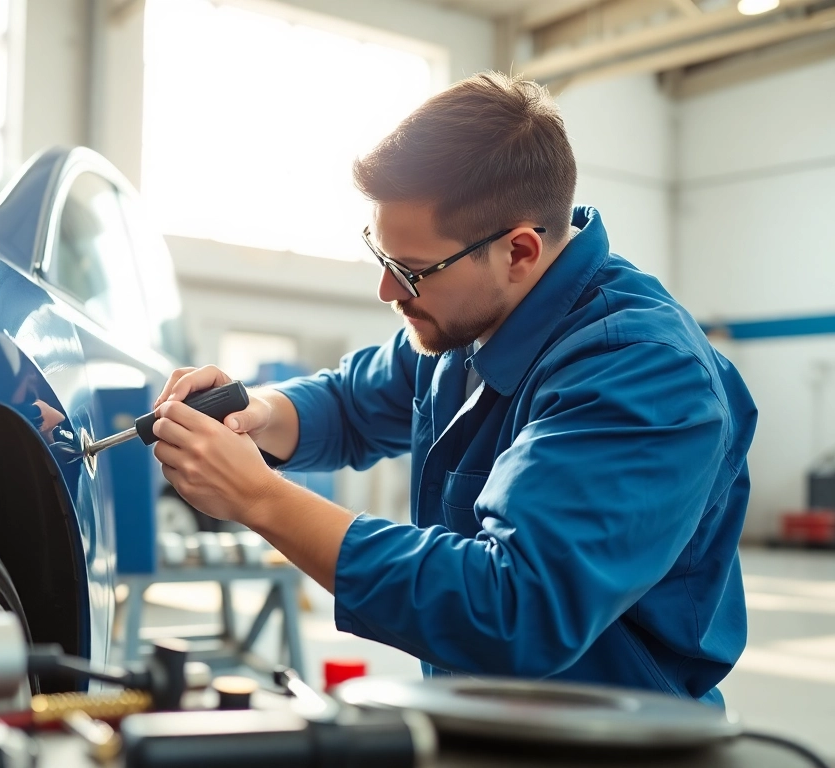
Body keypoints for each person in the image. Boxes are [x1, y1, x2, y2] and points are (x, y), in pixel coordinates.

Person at [149, 72, 756, 705]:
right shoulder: (471, 320)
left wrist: (260, 498)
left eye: (411, 271)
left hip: (614, 736)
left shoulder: (643, 372)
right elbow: (352, 403)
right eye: (382, 258)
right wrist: (254, 410)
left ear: (519, 251)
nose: (388, 291)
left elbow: (513, 609)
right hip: (483, 716)